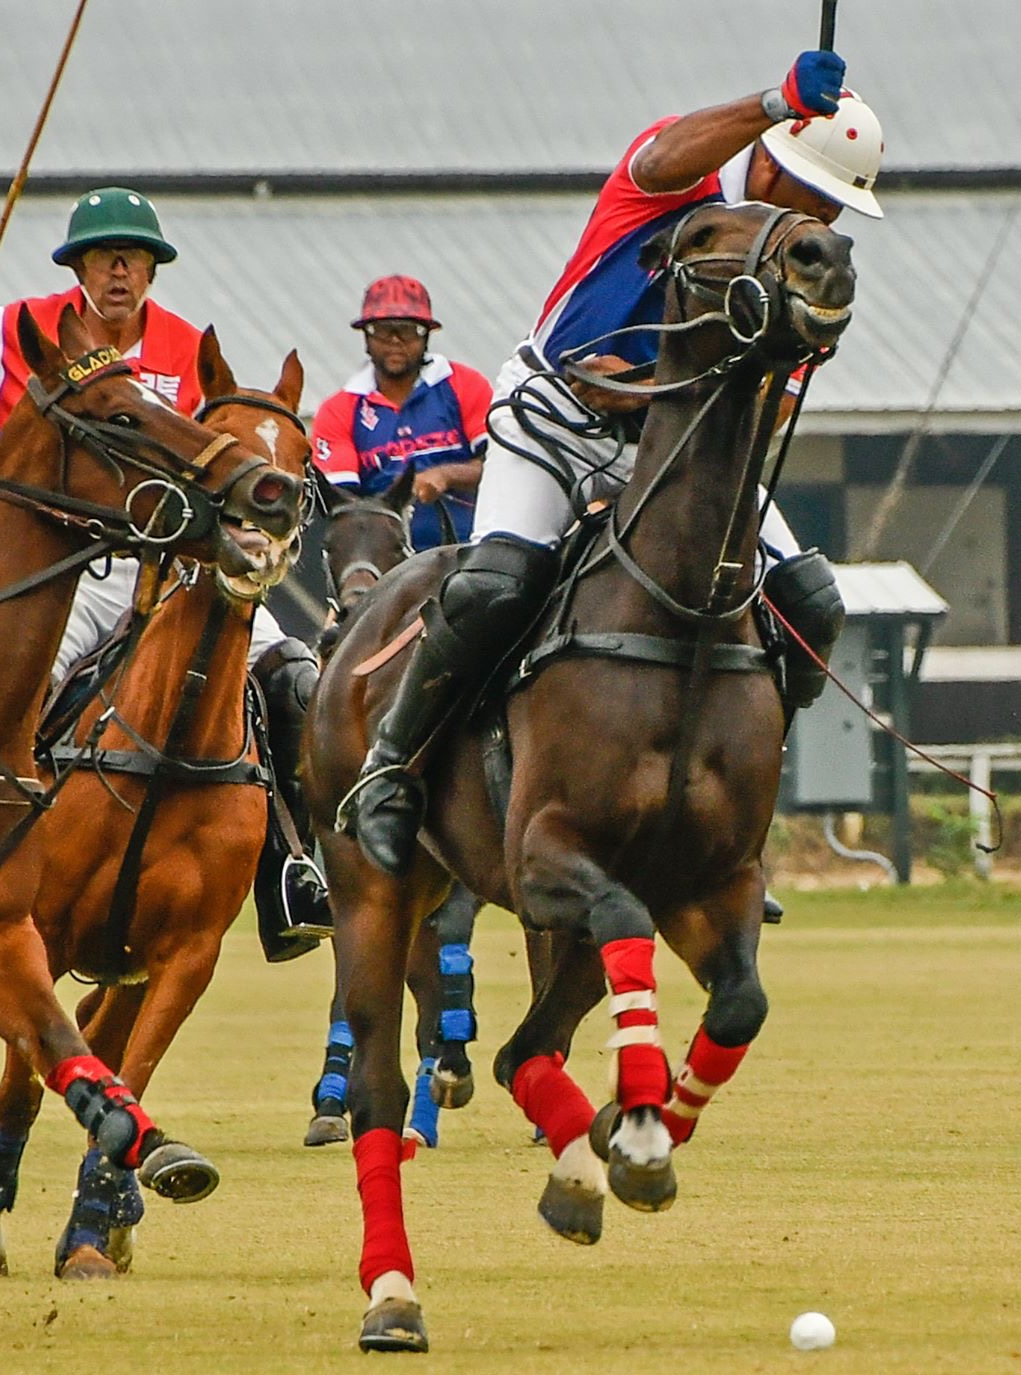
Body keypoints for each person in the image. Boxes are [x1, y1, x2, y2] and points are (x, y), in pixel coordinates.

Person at [347, 49, 879, 878]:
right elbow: (658, 163)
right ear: (774, 165)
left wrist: (673, 389)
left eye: (840, 207)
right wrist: (776, 101)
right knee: (495, 586)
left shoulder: (798, 279)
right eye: (820, 195)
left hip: (685, 453)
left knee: (812, 602)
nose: (826, 220)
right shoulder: (682, 179)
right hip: (556, 420)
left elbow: (773, 411)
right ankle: (392, 766)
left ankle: (735, 814)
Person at [0, 189, 331, 957]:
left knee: (293, 676)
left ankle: (290, 867)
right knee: (12, 694)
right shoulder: (18, 328)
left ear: (153, 270)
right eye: (105, 257)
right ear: (79, 267)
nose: (120, 272)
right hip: (66, 568)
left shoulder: (189, 351)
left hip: (173, 567)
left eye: (134, 258)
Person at [312, 277, 492, 550]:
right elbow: (340, 502)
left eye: (408, 331)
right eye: (383, 331)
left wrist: (446, 475)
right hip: (384, 561)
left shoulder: (465, 384)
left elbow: (501, 465)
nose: (395, 341)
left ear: (426, 335)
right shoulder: (338, 410)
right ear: (366, 338)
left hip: (472, 551)